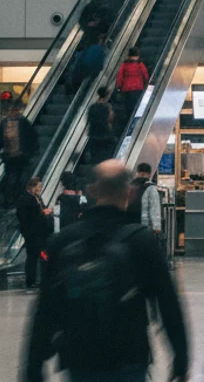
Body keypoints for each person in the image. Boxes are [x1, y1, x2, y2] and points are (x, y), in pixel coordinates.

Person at [23, 161, 188, 382]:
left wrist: (34, 367)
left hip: (80, 357)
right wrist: (181, 356)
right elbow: (168, 301)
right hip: (129, 356)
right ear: (128, 192)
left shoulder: (64, 241)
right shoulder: (141, 241)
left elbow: (45, 309)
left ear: (93, 191)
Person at [0, 101, 39, 207]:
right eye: (11, 110)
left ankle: (17, 200)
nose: (12, 112)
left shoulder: (23, 123)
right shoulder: (4, 124)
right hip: (10, 158)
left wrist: (32, 152)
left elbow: (32, 137)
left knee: (20, 179)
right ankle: (11, 200)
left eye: (14, 110)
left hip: (21, 157)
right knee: (11, 180)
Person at [17, 177, 53, 290]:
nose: (40, 189)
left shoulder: (37, 197)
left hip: (39, 231)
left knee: (40, 255)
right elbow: (25, 216)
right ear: (32, 187)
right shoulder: (25, 199)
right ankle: (31, 280)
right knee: (32, 256)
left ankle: (39, 279)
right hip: (31, 232)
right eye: (38, 187)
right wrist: (41, 213)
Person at [127, 163, 162, 241]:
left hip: (129, 224)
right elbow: (154, 207)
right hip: (144, 225)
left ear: (137, 173)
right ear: (149, 174)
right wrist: (157, 227)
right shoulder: (150, 187)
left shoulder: (130, 186)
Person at [115, 47, 149, 124]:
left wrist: (118, 86)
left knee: (128, 106)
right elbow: (145, 75)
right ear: (138, 55)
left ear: (129, 55)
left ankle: (128, 120)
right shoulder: (140, 64)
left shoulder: (124, 64)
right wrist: (147, 84)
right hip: (138, 88)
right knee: (136, 106)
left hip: (126, 88)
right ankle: (135, 121)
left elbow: (120, 76)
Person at [85, 86, 116, 166]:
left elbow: (89, 119)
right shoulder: (107, 107)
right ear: (107, 95)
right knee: (106, 153)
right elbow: (109, 120)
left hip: (93, 133)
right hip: (105, 133)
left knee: (95, 153)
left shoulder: (92, 107)